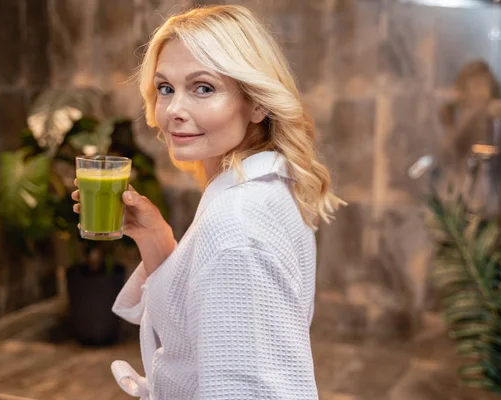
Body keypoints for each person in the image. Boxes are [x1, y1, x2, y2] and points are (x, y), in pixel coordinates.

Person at [72, 5, 345, 399]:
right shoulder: (262, 188)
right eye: (165, 88)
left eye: (203, 88)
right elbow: (197, 323)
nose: (175, 111)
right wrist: (155, 237)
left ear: (256, 103)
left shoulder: (238, 222)